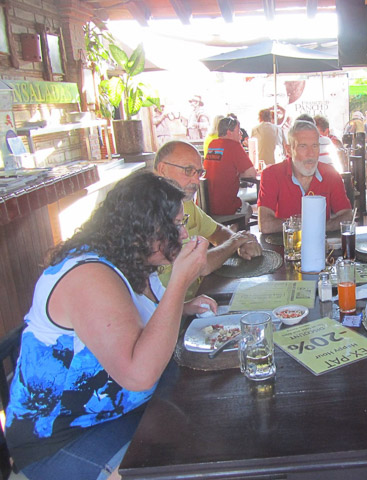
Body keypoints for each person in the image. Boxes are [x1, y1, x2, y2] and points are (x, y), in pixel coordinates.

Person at [5, 171, 217, 480]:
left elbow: (132, 321)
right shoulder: (88, 276)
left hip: (119, 411)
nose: (184, 234)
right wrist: (180, 283)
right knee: (177, 466)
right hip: (62, 437)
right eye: (175, 225)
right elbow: (138, 375)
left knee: (205, 428)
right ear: (141, 228)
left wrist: (182, 307)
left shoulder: (134, 259)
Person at [155, 140, 262, 299]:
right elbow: (198, 265)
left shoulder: (184, 203)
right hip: (168, 308)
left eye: (199, 173)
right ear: (162, 169)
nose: (196, 181)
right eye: (188, 170)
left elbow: (216, 231)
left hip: (194, 300)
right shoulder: (149, 211)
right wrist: (234, 243)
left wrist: (240, 244)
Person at [257, 120, 353, 234]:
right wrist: (310, 225)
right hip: (284, 243)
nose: (311, 154)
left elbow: (347, 215)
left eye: (315, 146)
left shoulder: (331, 174)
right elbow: (265, 225)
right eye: (303, 146)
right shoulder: (271, 175)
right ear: (289, 150)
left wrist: (318, 227)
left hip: (321, 243)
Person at [203, 116, 257, 219]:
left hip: (206, 204)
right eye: (238, 130)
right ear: (229, 132)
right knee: (248, 209)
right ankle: (234, 229)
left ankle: (226, 228)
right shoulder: (234, 145)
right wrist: (239, 173)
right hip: (224, 205)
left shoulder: (213, 144)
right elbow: (252, 173)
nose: (241, 134)